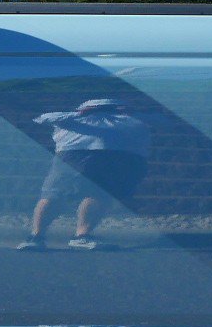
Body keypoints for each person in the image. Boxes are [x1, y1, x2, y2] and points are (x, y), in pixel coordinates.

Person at [18, 98, 152, 250]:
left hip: (111, 156)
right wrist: (81, 113)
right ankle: (36, 236)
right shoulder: (71, 118)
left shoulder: (126, 119)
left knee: (98, 194)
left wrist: (127, 113)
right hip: (76, 155)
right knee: (55, 194)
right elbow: (43, 118)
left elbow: (158, 121)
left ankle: (80, 236)